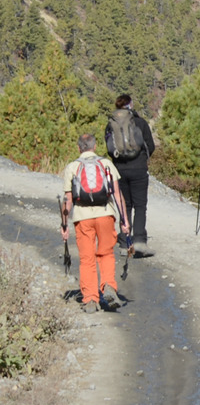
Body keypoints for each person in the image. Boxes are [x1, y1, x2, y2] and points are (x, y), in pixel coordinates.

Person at [61, 133, 129, 313]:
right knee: (106, 253)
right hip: (105, 214)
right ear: (94, 146)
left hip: (82, 217)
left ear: (79, 148)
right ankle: (108, 287)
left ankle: (90, 299)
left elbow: (68, 200)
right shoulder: (106, 164)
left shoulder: (72, 167)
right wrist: (125, 221)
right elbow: (117, 194)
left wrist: (64, 225)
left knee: (86, 258)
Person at [105, 94, 156, 257]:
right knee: (140, 205)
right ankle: (140, 241)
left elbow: (109, 149)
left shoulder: (110, 124)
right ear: (130, 105)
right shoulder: (140, 122)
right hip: (139, 168)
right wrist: (142, 158)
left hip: (120, 170)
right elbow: (151, 145)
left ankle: (124, 242)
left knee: (124, 205)